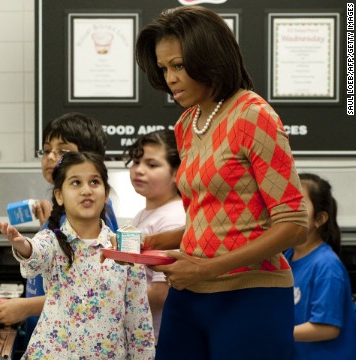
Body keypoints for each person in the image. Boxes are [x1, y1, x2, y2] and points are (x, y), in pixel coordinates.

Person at [135, 5, 308, 359]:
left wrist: (207, 269)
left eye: (179, 66)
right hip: (189, 293)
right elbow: (207, 220)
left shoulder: (253, 114)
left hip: (250, 295)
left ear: (209, 58)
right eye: (164, 68)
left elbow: (294, 225)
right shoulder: (186, 125)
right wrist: (151, 243)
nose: (169, 78)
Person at [0, 151, 155, 359]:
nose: (86, 190)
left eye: (94, 182)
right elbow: (35, 252)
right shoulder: (52, 240)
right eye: (76, 183)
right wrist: (22, 244)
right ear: (59, 195)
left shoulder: (123, 250)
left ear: (105, 194)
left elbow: (139, 323)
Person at [0, 112, 119, 346]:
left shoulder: (94, 215)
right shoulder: (62, 213)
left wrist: (25, 308)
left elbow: (93, 292)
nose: (50, 157)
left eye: (63, 151)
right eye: (46, 151)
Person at [283, 173, 356, 359]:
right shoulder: (287, 256)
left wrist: (277, 334)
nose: (289, 209)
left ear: (320, 219)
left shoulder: (327, 266)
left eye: (299, 203)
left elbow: (327, 328)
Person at [125, 129, 184, 343]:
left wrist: (110, 302)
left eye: (152, 165)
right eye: (136, 161)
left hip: (157, 339)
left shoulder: (175, 218)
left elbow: (161, 293)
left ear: (177, 172)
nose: (139, 170)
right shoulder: (142, 215)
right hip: (138, 336)